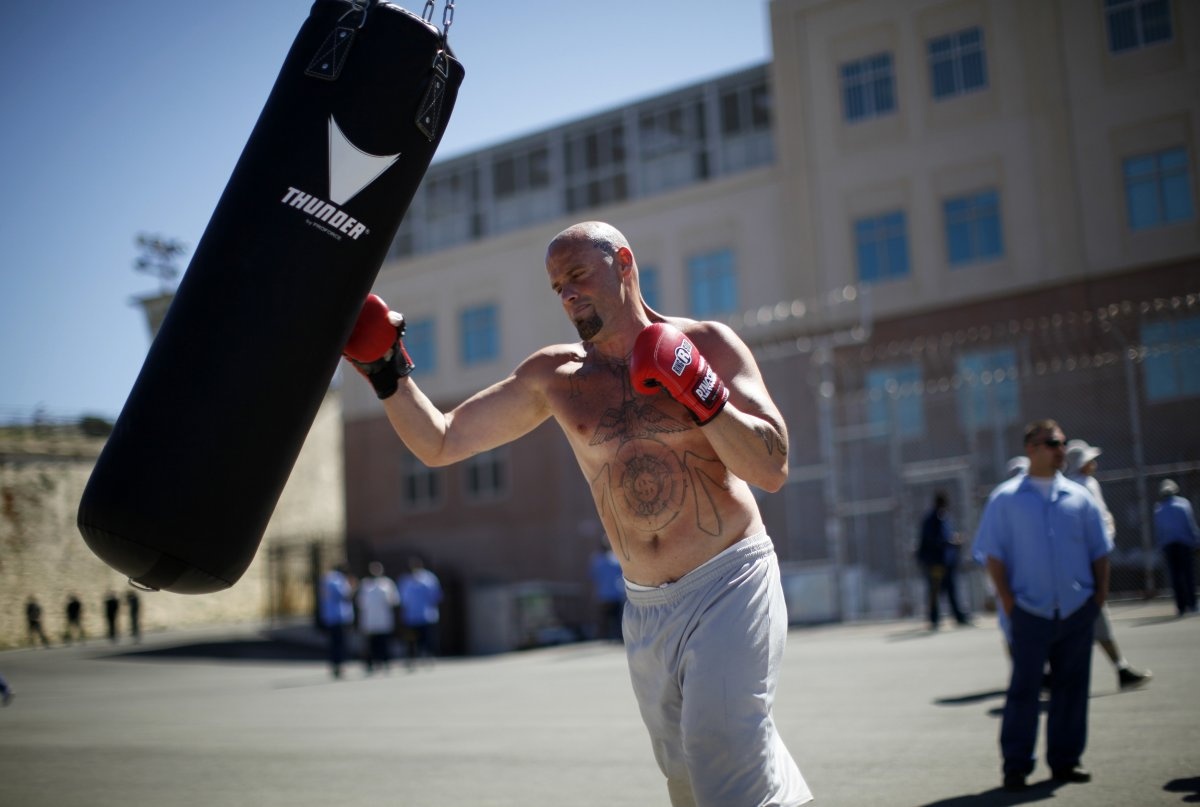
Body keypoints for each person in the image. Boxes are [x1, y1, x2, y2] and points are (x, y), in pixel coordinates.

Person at [342, 221, 811, 805]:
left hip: (730, 580)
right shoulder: (556, 377)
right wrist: (387, 371)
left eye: (578, 275)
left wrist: (701, 389)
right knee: (688, 779)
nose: (567, 294)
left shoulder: (708, 343)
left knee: (720, 746)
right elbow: (441, 441)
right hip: (646, 607)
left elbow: (772, 467)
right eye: (557, 286)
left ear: (624, 262)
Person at [973, 420, 1112, 792]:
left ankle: (1066, 760)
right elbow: (992, 555)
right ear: (1031, 448)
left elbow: (1099, 550)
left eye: (1062, 443)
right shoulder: (1005, 499)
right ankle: (1016, 766)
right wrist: (1009, 603)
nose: (1060, 450)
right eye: (1052, 443)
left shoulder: (1080, 497)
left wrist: (1098, 597)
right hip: (1029, 612)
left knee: (1072, 689)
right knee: (1025, 690)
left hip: (1076, 609)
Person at [1065, 439, 1152, 690]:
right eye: (1089, 460)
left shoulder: (1069, 486)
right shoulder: (1085, 486)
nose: (1094, 464)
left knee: (1082, 620)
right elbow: (1099, 525)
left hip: (1076, 564)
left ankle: (1118, 668)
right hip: (1087, 564)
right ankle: (1118, 669)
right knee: (1093, 615)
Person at [915, 491, 971, 630]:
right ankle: (934, 618)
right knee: (935, 589)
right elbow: (933, 541)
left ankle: (958, 616)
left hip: (945, 562)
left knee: (951, 589)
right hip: (935, 562)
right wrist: (951, 542)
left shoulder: (944, 518)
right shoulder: (932, 520)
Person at [1154, 479, 1198, 616]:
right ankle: (1192, 604)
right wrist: (1196, 540)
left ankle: (1181, 606)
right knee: (1188, 574)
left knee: (1175, 576)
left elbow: (1159, 530)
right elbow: (1190, 525)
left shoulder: (1159, 509)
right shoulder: (1183, 504)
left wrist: (1160, 545)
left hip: (1169, 546)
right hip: (1184, 544)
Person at [397, 556, 443, 670]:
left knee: (427, 639)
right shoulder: (406, 580)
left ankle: (428, 657)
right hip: (411, 616)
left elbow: (436, 595)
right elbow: (402, 599)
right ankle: (412, 658)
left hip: (426, 615)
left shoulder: (429, 578)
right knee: (411, 639)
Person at [356, 561, 399, 674]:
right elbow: (360, 602)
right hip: (370, 619)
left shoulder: (387, 583)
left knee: (384, 642)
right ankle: (371, 663)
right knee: (371, 644)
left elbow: (394, 600)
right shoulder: (365, 584)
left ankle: (385, 662)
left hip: (383, 618)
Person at [319, 564, 356, 678]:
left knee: (333, 642)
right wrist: (353, 586)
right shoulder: (338, 580)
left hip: (329, 616)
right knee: (340, 643)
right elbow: (344, 595)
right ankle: (339, 665)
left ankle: (335, 664)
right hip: (340, 616)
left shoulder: (326, 579)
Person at [588, 541, 626, 641]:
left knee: (604, 619)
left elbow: (593, 577)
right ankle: (617, 637)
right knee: (616, 619)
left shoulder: (596, 560)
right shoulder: (615, 558)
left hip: (602, 595)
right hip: (615, 594)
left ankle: (603, 638)